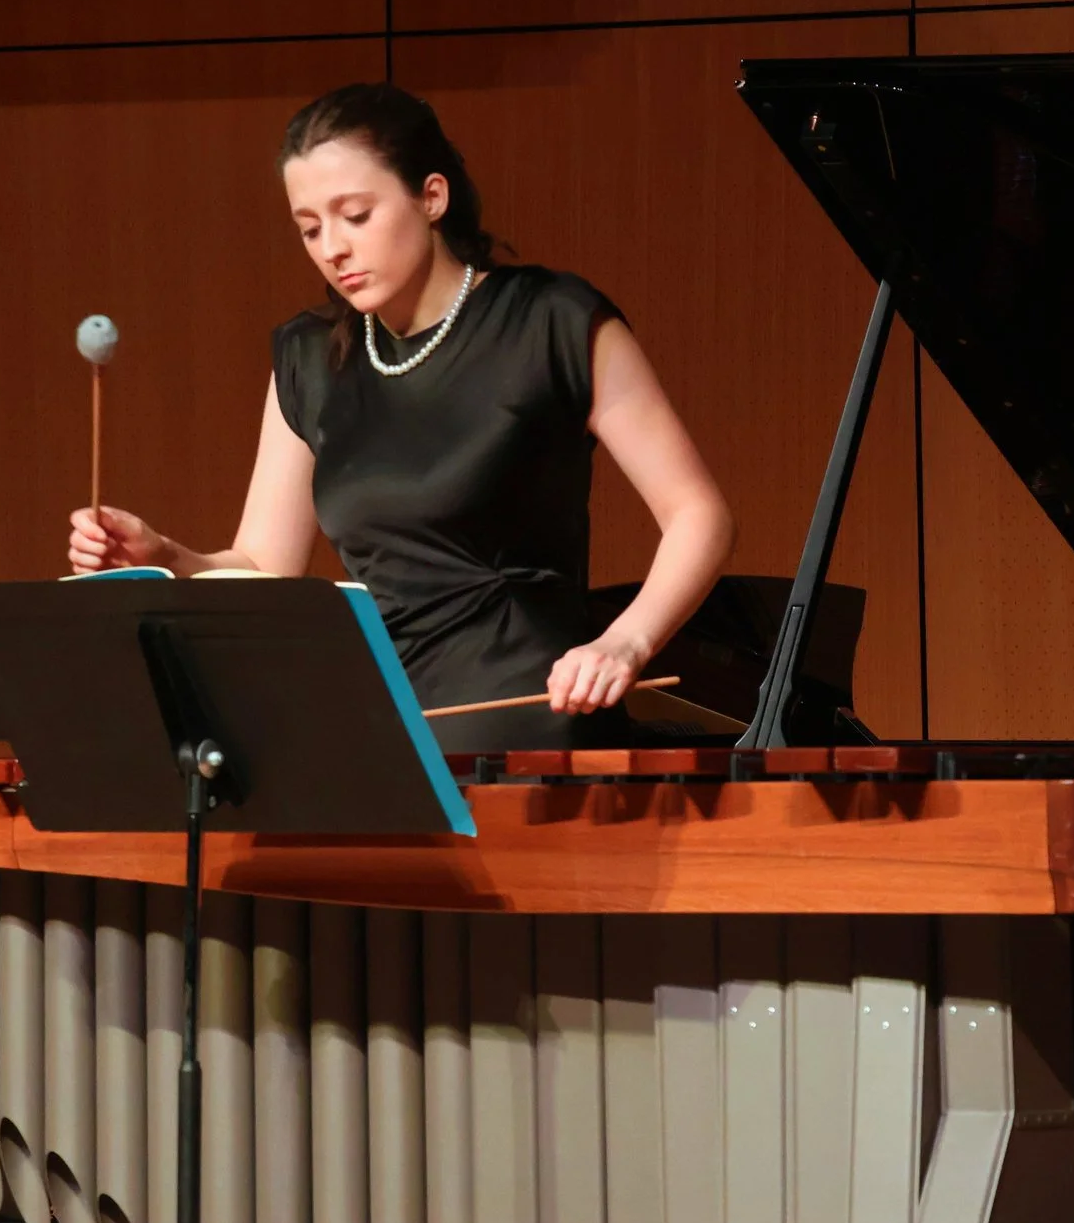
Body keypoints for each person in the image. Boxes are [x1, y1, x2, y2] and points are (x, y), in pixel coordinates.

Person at [65, 82, 735, 749]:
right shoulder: (311, 358)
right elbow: (265, 565)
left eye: (355, 215)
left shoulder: (550, 323)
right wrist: (167, 557)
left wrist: (625, 642)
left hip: (529, 719)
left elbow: (697, 513)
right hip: (381, 727)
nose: (332, 247)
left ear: (431, 196)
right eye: (310, 227)